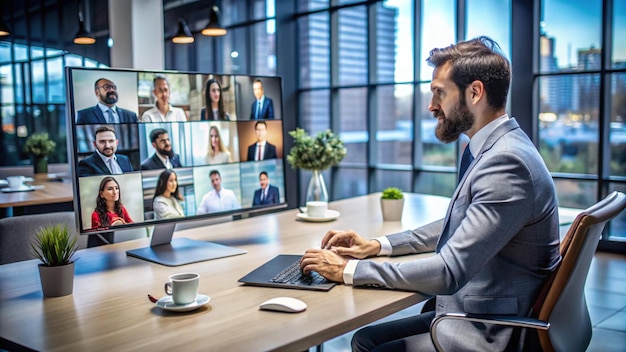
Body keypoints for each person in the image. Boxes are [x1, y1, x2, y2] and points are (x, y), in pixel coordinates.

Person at [299, 36, 561, 351]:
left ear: (474, 92)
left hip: (492, 331)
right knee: (365, 339)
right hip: (482, 310)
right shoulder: (497, 148)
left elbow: (449, 271)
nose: (431, 105)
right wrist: (378, 246)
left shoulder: (507, 162)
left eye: (440, 93)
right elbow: (458, 221)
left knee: (369, 346)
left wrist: (347, 269)